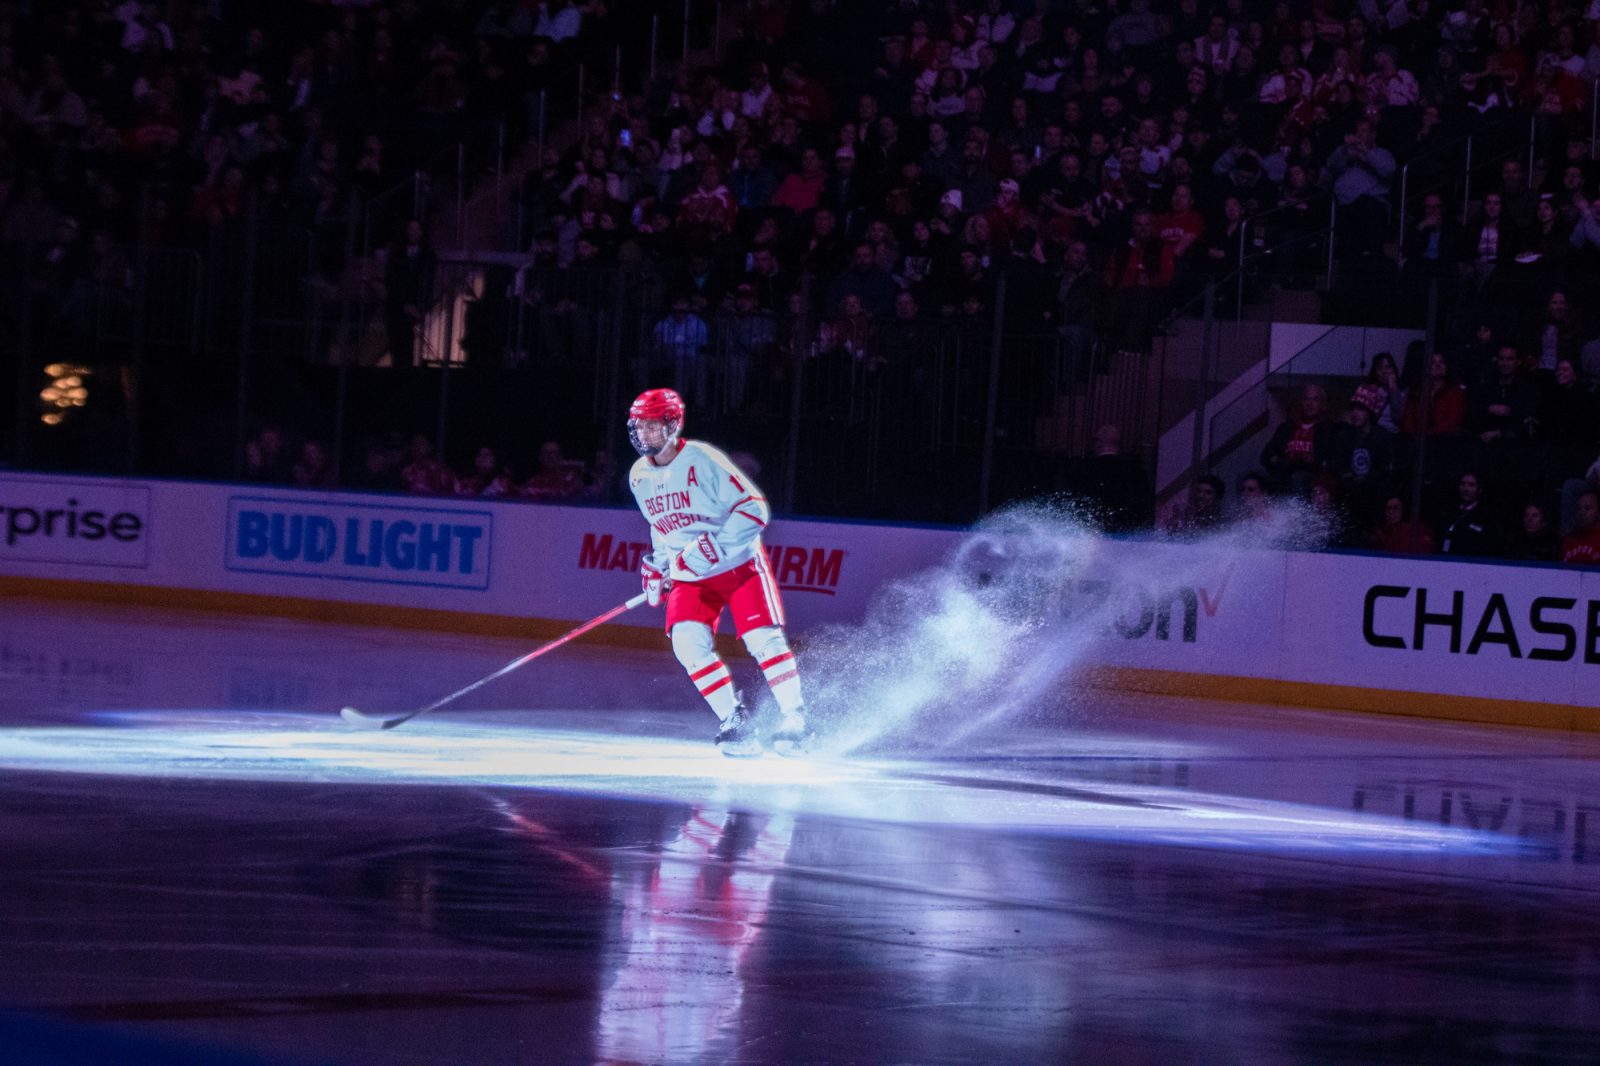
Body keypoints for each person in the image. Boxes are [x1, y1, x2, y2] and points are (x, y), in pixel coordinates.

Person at [626, 388, 812, 756]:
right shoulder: (638, 476)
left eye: (652, 426)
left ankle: (796, 720)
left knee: (762, 639)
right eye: (639, 426)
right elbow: (661, 527)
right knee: (687, 644)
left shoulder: (701, 459)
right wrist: (658, 565)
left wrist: (713, 547)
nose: (644, 434)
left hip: (738, 565)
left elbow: (754, 509)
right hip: (691, 577)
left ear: (673, 425)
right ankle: (734, 719)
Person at [1562, 489, 1600, 565]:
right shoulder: (1567, 541)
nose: (1581, 512)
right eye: (1578, 508)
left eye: (1587, 508)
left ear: (1598, 513)